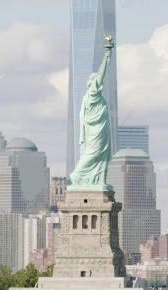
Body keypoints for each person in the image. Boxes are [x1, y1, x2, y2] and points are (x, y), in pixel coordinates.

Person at [69, 42, 113, 188]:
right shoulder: (92, 94)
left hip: (100, 130)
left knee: (101, 155)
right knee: (93, 153)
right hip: (95, 132)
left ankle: (98, 180)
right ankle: (77, 175)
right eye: (97, 81)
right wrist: (106, 58)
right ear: (93, 83)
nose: (100, 84)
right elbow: (101, 76)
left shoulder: (96, 97)